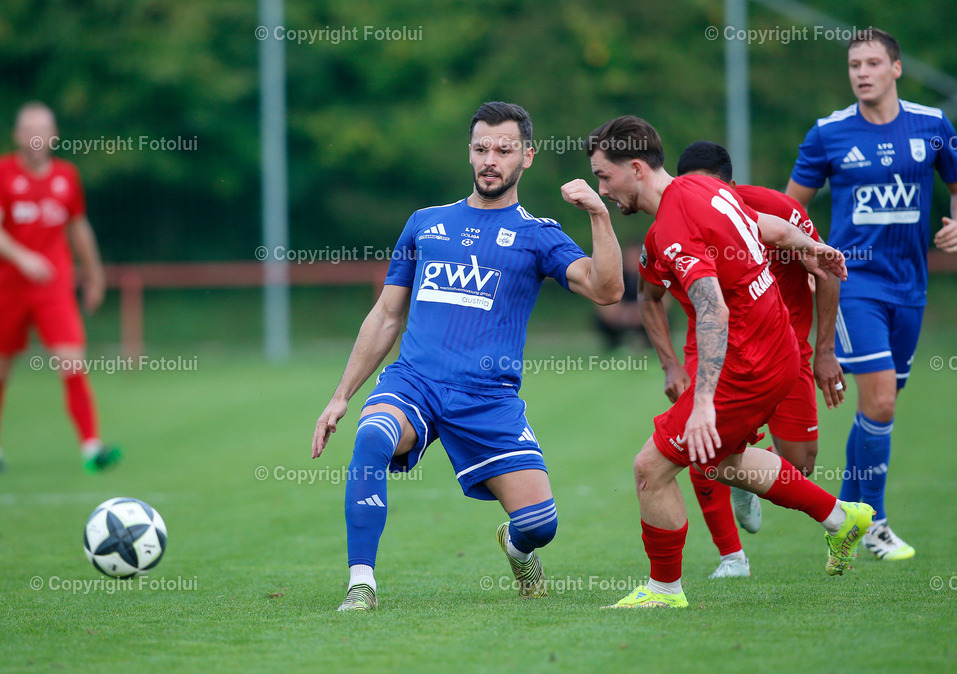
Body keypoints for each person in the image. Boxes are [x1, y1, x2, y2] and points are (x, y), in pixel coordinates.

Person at [311, 101, 623, 611]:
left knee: (540, 525)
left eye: (504, 149)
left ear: (528, 156)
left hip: (488, 399)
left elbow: (607, 291)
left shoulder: (537, 234)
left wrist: (598, 214)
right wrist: (341, 396)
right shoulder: (425, 224)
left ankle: (517, 548)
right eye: (481, 148)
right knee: (372, 436)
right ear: (469, 153)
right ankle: (361, 583)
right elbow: (388, 315)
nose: (491, 159)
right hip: (415, 382)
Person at [582, 115, 871, 609]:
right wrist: (812, 246)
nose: (602, 188)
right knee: (720, 461)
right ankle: (843, 521)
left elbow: (712, 308)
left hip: (749, 363)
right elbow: (768, 227)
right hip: (778, 347)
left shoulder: (675, 225)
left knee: (650, 467)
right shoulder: (700, 188)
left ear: (634, 168)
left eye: (604, 176)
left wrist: (703, 403)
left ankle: (664, 590)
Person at [786, 28, 957, 561]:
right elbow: (789, 211)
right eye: (854, 65)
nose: (862, 73)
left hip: (910, 288)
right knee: (883, 401)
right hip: (853, 285)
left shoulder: (932, 126)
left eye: (872, 63)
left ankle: (845, 519)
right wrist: (808, 261)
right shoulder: (828, 134)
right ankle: (875, 524)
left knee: (877, 410)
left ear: (896, 68)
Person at [637, 140, 845, 579]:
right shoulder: (672, 224)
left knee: (798, 461)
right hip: (715, 351)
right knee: (695, 450)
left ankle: (839, 517)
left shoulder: (771, 209)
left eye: (605, 176)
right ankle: (730, 558)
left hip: (779, 348)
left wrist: (825, 351)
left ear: (730, 187)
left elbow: (825, 264)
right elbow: (651, 295)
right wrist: (673, 365)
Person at [0, 102, 120, 473]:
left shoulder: (67, 175)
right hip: (8, 288)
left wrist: (95, 274)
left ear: (54, 136)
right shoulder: (4, 173)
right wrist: (23, 258)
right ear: (18, 136)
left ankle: (91, 447)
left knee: (72, 362)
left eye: (44, 130)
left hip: (53, 288)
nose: (37, 138)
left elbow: (79, 227)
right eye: (29, 130)